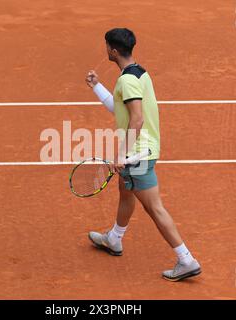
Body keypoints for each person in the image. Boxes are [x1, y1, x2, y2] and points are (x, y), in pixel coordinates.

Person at [85, 28, 201, 281]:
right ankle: (114, 239)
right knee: (125, 192)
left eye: (106, 46)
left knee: (154, 207)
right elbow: (122, 111)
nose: (105, 50)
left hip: (137, 154)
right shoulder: (138, 73)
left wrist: (121, 155)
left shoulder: (127, 81)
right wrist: (96, 87)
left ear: (113, 50)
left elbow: (136, 120)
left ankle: (186, 259)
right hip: (144, 149)